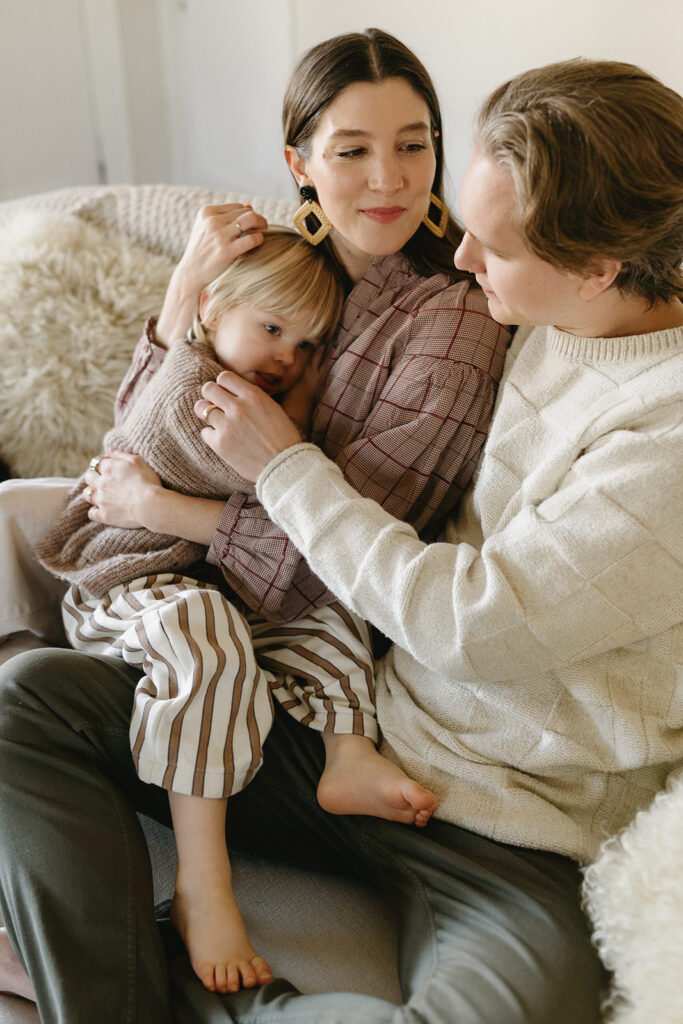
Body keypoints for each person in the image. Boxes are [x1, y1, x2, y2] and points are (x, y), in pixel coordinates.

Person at [0, 27, 511, 1020]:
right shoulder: (283, 259)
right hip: (164, 586)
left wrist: (160, 505)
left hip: (273, 614)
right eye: (351, 149)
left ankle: (210, 873)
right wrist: (183, 300)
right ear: (299, 163)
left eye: (413, 144)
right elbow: (137, 428)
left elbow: (339, 562)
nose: (387, 178)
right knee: (24, 688)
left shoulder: (449, 320)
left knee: (90, 680)